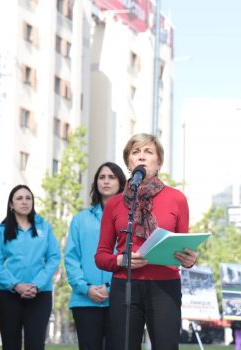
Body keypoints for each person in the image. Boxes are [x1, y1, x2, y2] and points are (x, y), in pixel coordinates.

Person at [95, 133, 198, 350]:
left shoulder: (177, 199)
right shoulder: (114, 204)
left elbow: (183, 246)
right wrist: (122, 260)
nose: (142, 156)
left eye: (148, 152)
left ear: (158, 161)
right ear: (128, 162)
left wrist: (189, 259)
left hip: (165, 286)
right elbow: (101, 256)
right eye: (136, 152)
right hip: (125, 285)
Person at [0, 184, 61, 350]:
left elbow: (54, 257)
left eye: (28, 198)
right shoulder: (1, 231)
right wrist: (15, 285)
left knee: (35, 344)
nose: (24, 202)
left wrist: (36, 284)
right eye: (19, 198)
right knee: (10, 344)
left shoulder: (45, 227)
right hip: (7, 295)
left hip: (39, 294)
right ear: (11, 204)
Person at [65, 162, 126, 350]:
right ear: (96, 183)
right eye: (101, 177)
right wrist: (86, 288)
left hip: (121, 299)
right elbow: (71, 258)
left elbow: (133, 256)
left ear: (121, 183)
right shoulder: (80, 219)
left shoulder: (130, 218)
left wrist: (111, 288)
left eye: (111, 177)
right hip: (85, 301)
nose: (106, 181)